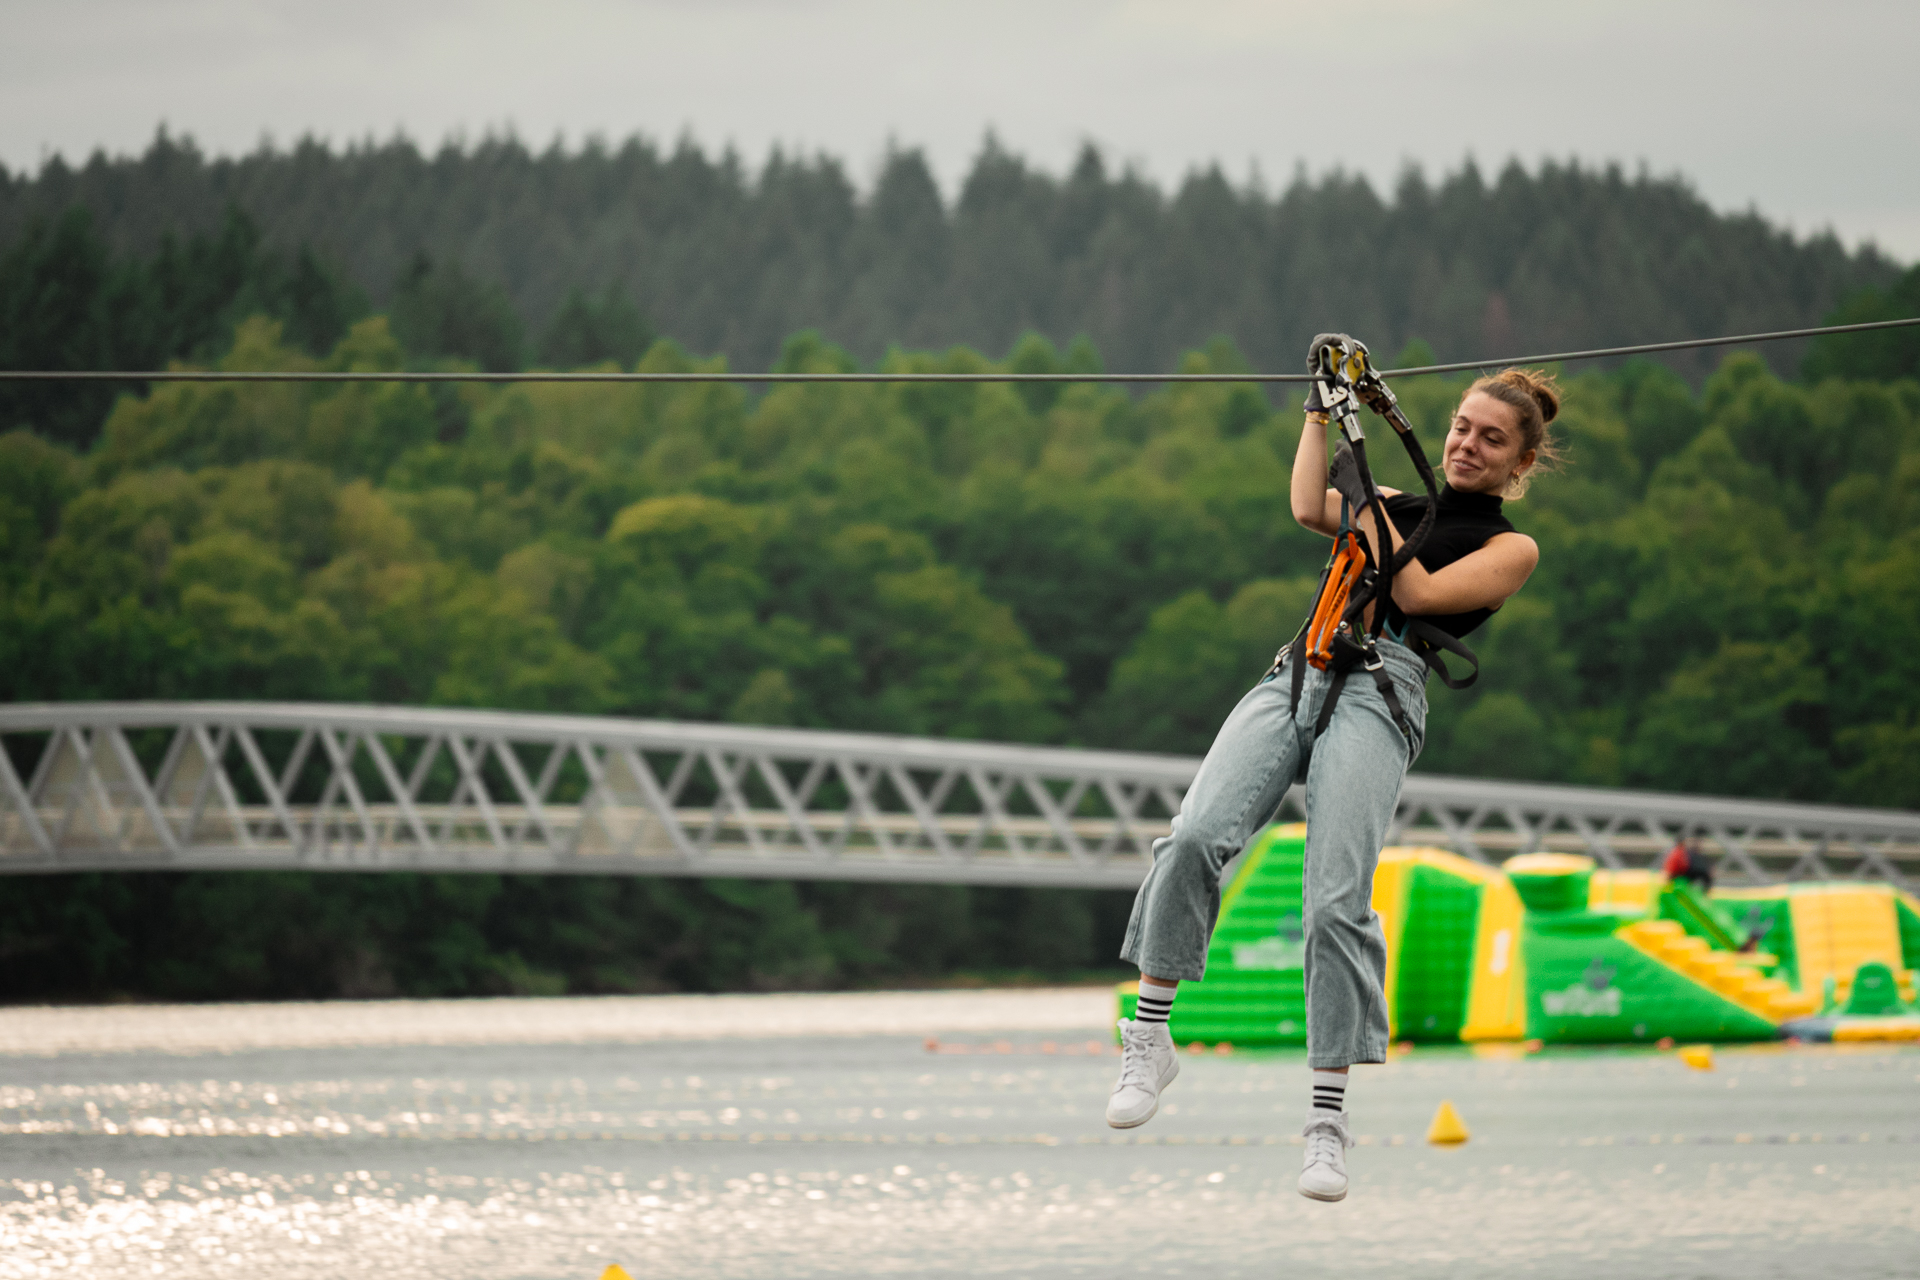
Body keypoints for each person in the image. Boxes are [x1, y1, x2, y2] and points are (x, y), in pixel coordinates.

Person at [1104, 344, 1562, 1203]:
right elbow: (1307, 505)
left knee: (1335, 897)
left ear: (1520, 461)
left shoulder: (1512, 547)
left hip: (1383, 690)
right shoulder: (1391, 500)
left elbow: (1418, 594)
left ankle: (1326, 1117)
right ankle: (1152, 1034)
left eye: (1490, 439)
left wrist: (1363, 485)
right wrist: (1321, 417)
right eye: (1462, 427)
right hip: (1305, 666)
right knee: (1197, 834)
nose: (1466, 445)